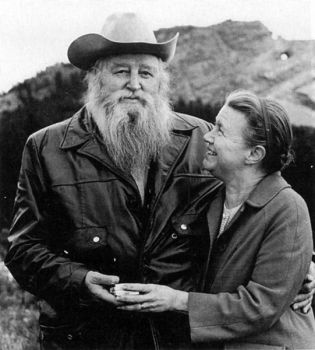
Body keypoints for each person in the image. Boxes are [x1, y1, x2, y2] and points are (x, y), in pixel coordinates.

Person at [4, 13, 314, 350]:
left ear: (160, 82)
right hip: (84, 337)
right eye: (121, 71)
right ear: (94, 78)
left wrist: (299, 267)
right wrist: (79, 281)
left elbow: (251, 206)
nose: (135, 84)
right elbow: (22, 250)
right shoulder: (46, 148)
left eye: (146, 73)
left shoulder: (200, 139)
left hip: (177, 339)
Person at [115, 91, 315, 349]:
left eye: (220, 131)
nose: (207, 137)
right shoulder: (211, 198)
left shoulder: (288, 208)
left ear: (254, 153)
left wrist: (176, 300)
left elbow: (260, 308)